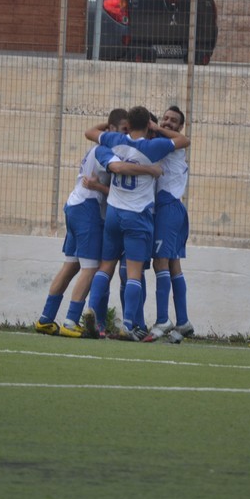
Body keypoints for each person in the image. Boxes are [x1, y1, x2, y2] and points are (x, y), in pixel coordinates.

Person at [35, 109, 160, 338]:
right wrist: (150, 170)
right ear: (110, 129)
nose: (125, 136)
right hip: (88, 209)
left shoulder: (105, 146)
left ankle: (45, 318)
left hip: (75, 205)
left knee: (71, 266)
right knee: (91, 268)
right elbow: (120, 172)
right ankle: (71, 321)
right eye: (122, 130)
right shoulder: (107, 150)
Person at [84, 106, 189, 340]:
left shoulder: (114, 141)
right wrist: (150, 170)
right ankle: (129, 324)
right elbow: (184, 141)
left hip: (114, 213)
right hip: (138, 216)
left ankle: (93, 313)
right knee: (134, 273)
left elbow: (90, 133)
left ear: (128, 125)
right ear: (149, 126)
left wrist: (111, 126)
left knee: (106, 266)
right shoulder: (155, 146)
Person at [145, 105, 195, 342]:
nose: (166, 122)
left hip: (168, 207)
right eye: (164, 118)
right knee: (173, 264)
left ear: (180, 126)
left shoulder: (174, 143)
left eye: (173, 120)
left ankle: (163, 319)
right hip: (172, 209)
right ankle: (183, 321)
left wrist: (153, 127)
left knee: (160, 262)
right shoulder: (163, 143)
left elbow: (184, 140)